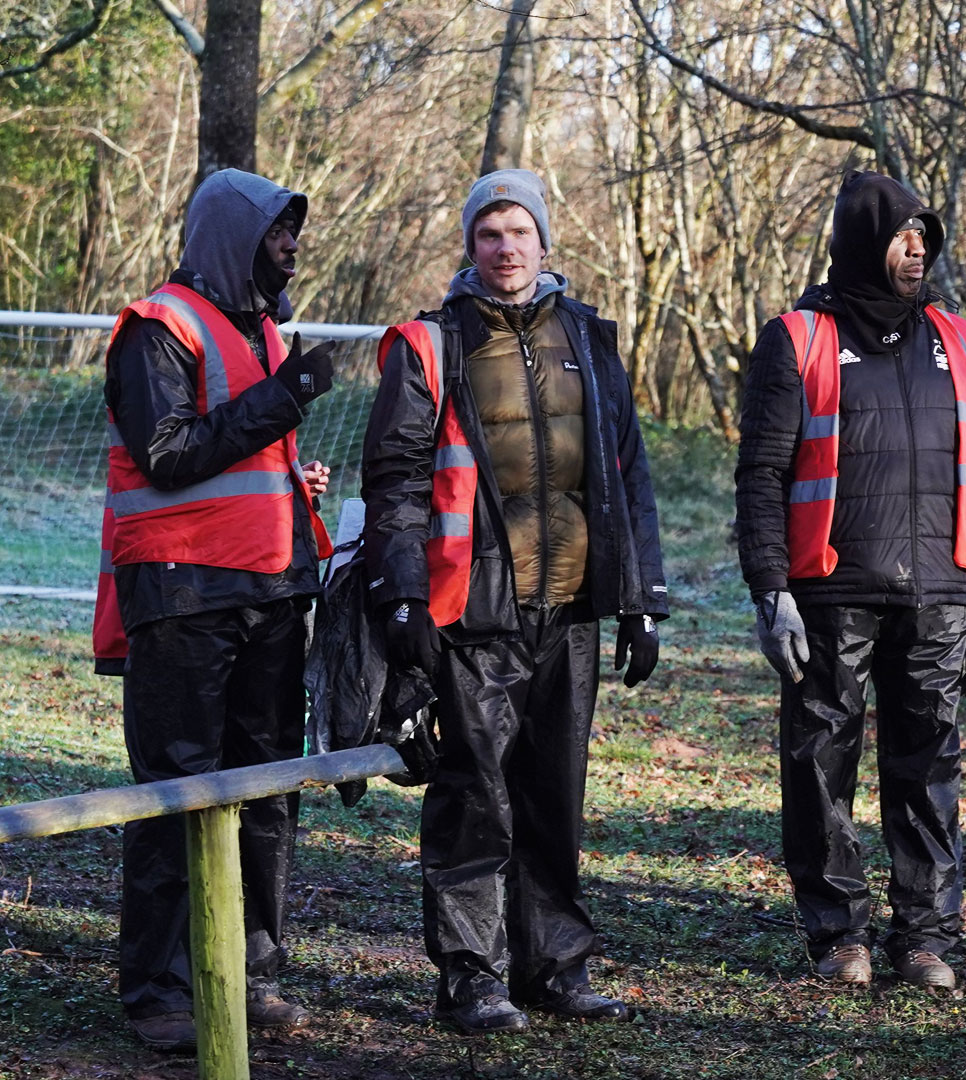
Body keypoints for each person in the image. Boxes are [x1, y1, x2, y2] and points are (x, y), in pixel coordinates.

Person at [360, 169, 669, 1034]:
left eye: (519, 232)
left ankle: (555, 965)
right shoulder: (431, 345)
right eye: (489, 233)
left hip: (569, 610)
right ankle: (469, 977)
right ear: (470, 244)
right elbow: (396, 484)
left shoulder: (590, 340)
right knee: (473, 796)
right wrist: (402, 599)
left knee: (553, 797)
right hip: (473, 613)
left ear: (544, 242)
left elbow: (626, 475)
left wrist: (641, 600)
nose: (505, 248)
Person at [735, 171, 966, 990]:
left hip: (941, 594)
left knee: (928, 770)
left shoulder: (958, 340)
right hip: (830, 592)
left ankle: (924, 938)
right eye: (902, 236)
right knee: (821, 767)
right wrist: (769, 588)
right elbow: (760, 475)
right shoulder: (797, 338)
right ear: (863, 242)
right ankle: (838, 937)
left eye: (925, 235)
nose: (918, 248)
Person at [93, 168, 336, 1051]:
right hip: (183, 594)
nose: (292, 249)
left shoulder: (261, 332)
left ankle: (247, 972)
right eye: (280, 234)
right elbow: (167, 455)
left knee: (266, 789)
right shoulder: (158, 330)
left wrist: (291, 479)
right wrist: (288, 398)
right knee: (175, 791)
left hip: (270, 588)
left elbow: (238, 454)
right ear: (238, 236)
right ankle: (159, 993)